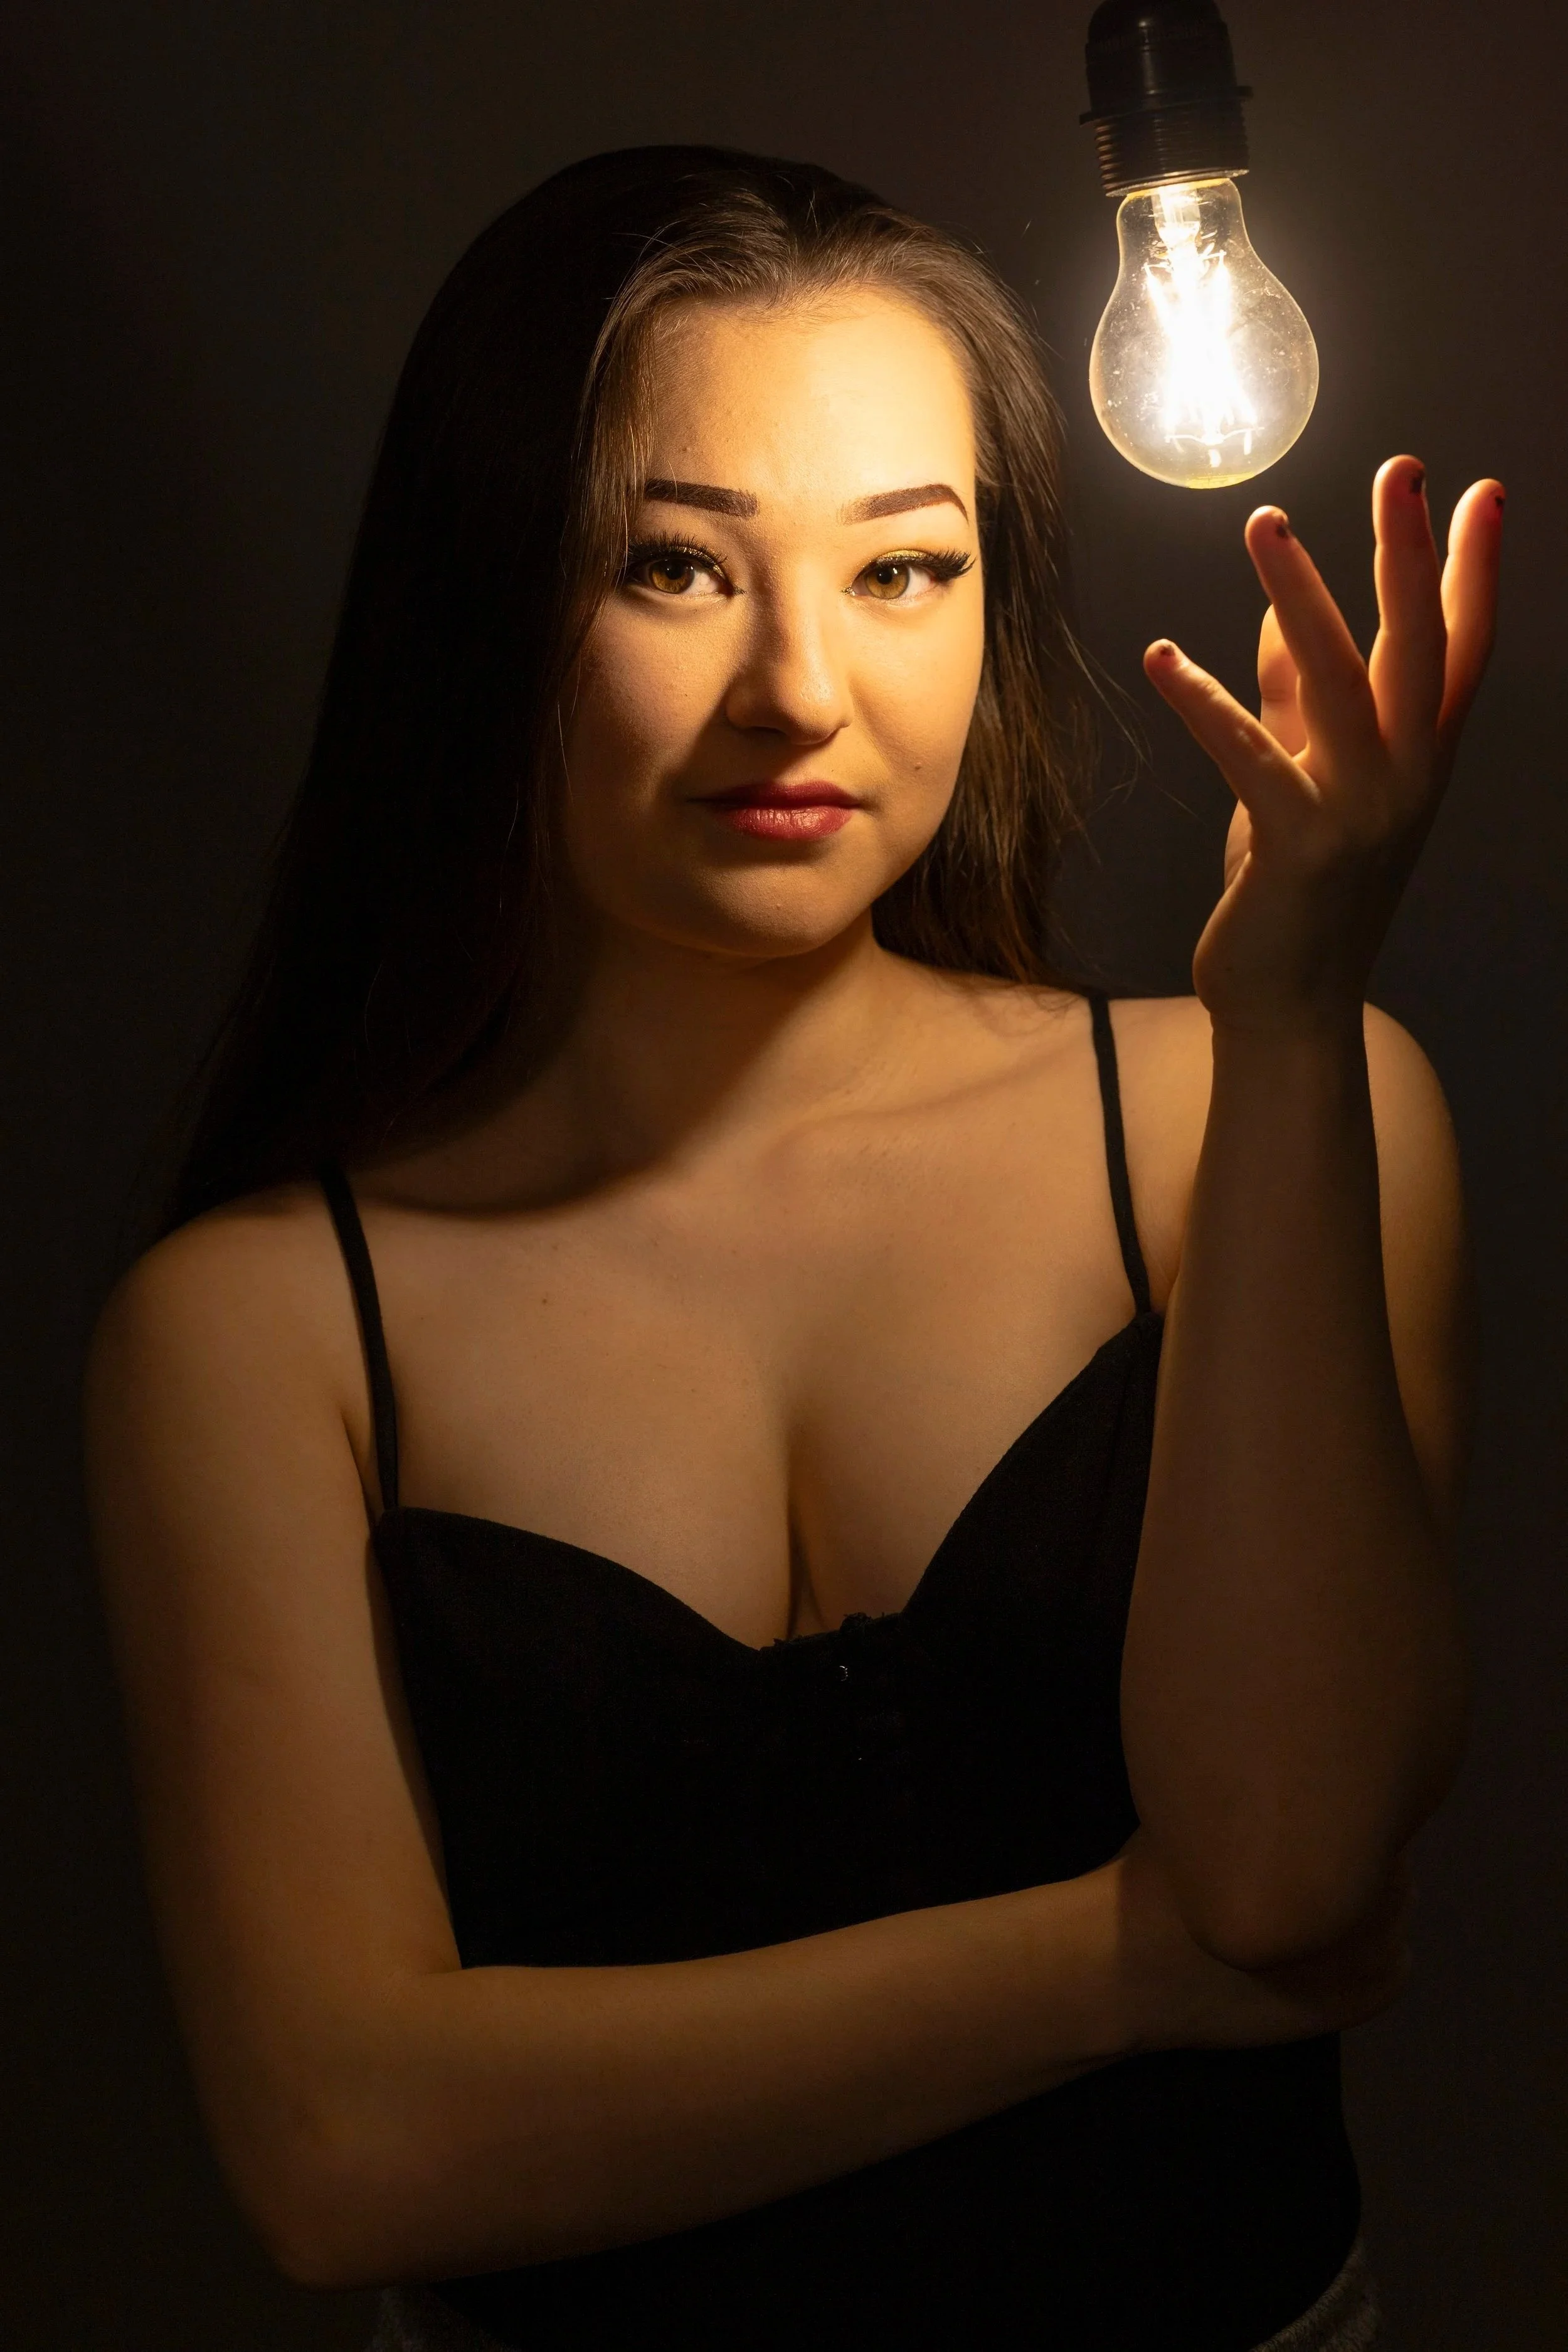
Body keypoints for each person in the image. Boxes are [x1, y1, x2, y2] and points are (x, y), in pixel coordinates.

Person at [82, 146, 1503, 2351]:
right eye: (672, 567)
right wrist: (1124, 1962)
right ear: (487, 599)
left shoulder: (1249, 1113)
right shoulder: (264, 1326)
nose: (798, 689)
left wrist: (1295, 1014)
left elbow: (1293, 1861)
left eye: (905, 570)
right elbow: (346, 2149)